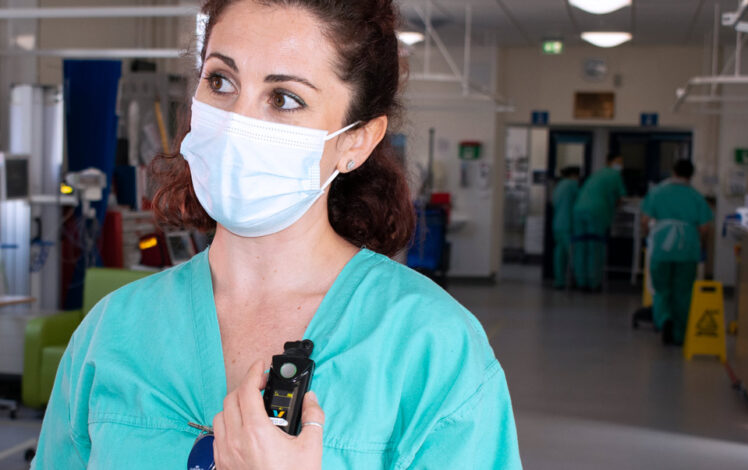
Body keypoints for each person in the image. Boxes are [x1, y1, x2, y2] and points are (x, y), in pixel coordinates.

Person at [32, 1, 522, 469]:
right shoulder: (113, 332)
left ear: (356, 141)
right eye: (220, 81)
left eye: (284, 98)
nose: (236, 123)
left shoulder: (429, 348)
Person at [641, 160, 713, 345]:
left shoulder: (657, 192)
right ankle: (679, 334)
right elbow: (704, 228)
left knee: (661, 288)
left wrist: (649, 236)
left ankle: (664, 319)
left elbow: (645, 220)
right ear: (691, 175)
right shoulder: (696, 196)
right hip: (687, 248)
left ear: (673, 171)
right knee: (683, 292)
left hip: (662, 247)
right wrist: (699, 244)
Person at [571, 153, 627, 291]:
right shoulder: (614, 175)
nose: (620, 165)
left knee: (580, 246)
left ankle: (580, 281)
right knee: (595, 248)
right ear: (609, 162)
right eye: (618, 162)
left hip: (579, 210)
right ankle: (593, 283)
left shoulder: (597, 174)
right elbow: (621, 198)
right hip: (596, 212)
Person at [552, 166, 580, 289]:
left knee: (560, 254)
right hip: (568, 223)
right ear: (574, 175)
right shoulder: (572, 185)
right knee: (574, 253)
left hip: (557, 223)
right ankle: (578, 279)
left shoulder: (559, 186)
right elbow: (579, 201)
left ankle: (559, 281)